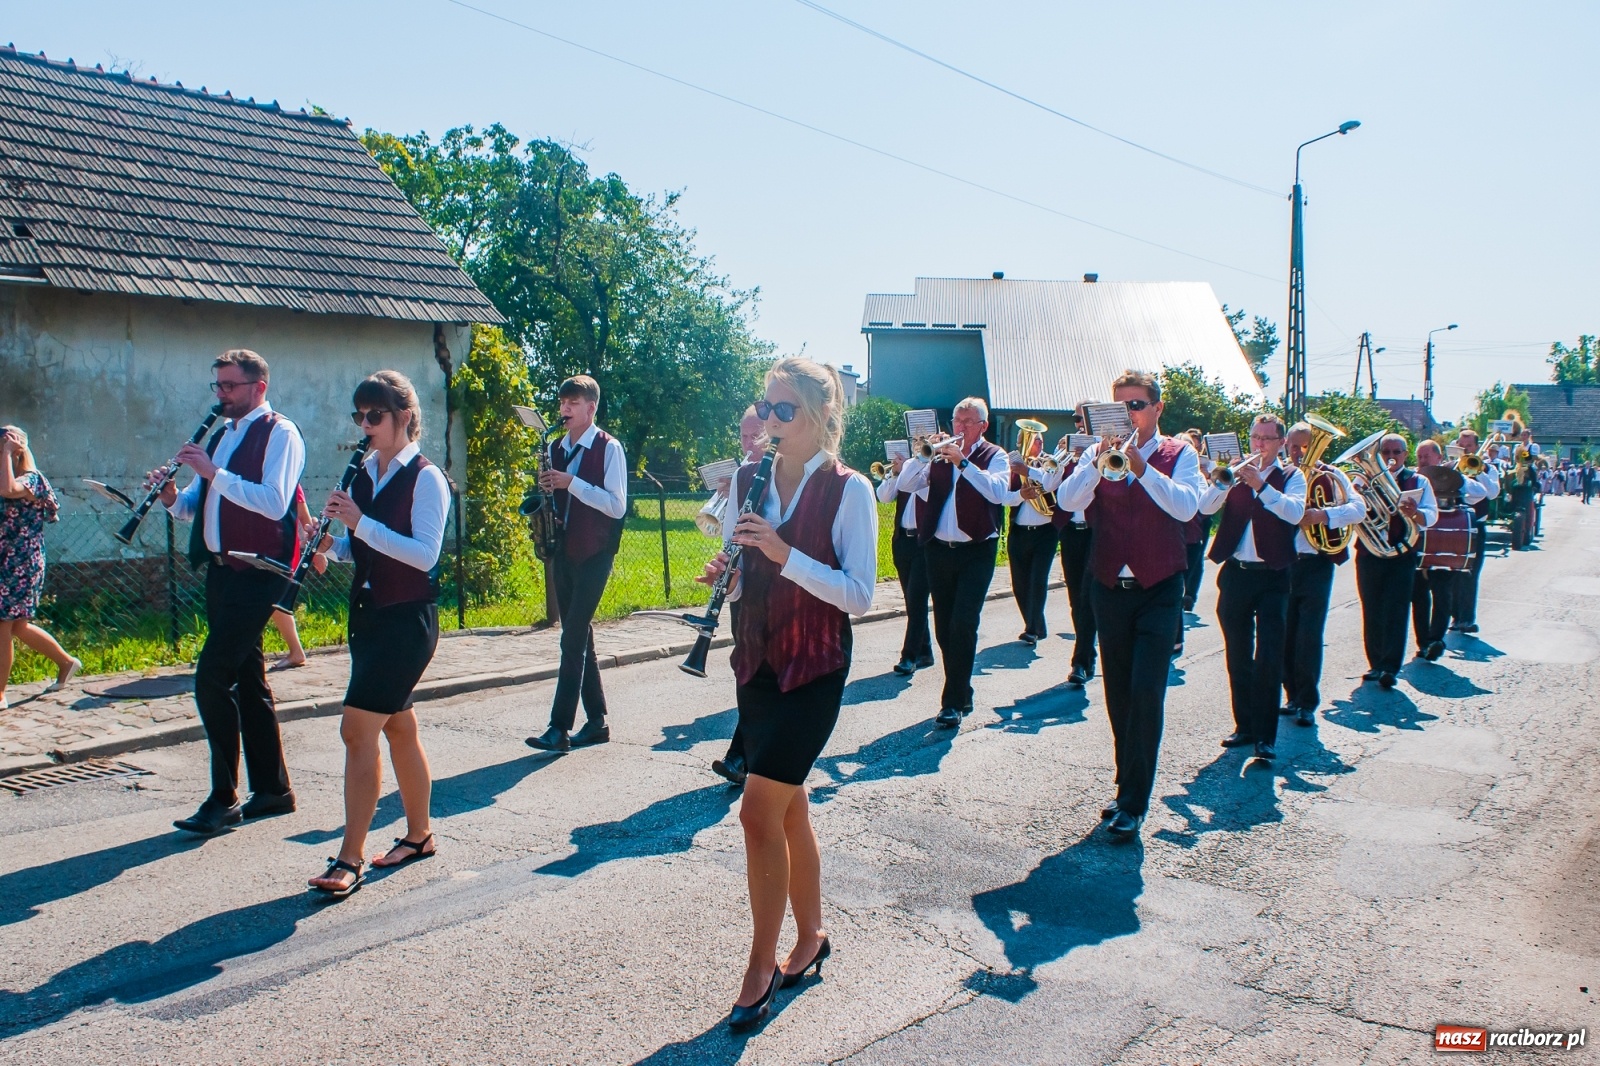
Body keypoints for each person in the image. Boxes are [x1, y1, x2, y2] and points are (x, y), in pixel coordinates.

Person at [698, 357, 876, 1032]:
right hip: (757, 665)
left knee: (755, 813)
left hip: (815, 670)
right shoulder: (749, 479)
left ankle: (759, 963)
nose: (768, 423)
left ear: (822, 416)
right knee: (790, 808)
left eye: (784, 411)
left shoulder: (849, 490)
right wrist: (731, 577)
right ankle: (811, 936)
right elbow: (747, 581)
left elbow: (858, 596)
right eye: (764, 409)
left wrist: (781, 552)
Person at [305, 371, 449, 898]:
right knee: (399, 729)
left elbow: (424, 555)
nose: (364, 427)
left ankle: (350, 857)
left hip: (407, 620)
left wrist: (361, 523)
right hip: (367, 616)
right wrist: (328, 549)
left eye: (374, 417)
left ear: (404, 418)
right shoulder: (364, 472)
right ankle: (419, 835)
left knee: (356, 730)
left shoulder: (427, 478)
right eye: (359, 417)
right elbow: (360, 549)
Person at [159, 349, 306, 835]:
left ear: (258, 387)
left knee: (211, 676)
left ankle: (223, 797)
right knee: (249, 680)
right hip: (222, 571)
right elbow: (199, 509)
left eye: (229, 386)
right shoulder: (223, 436)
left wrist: (212, 472)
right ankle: (274, 789)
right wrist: (171, 499)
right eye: (217, 386)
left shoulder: (280, 433)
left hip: (260, 571)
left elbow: (273, 502)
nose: (220, 395)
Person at [1055, 370, 1204, 840]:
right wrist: (1093, 462)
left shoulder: (1179, 454)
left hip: (1159, 588)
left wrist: (1143, 468)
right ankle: (1127, 785)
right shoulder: (1099, 454)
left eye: (1137, 406)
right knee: (1118, 692)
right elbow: (1066, 500)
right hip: (1108, 584)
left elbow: (1186, 507)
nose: (1130, 416)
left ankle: (1134, 802)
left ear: (1157, 409)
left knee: (1145, 693)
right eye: (1121, 408)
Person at [525, 376, 628, 754]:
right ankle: (597, 721)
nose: (564, 409)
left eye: (573, 402)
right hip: (561, 548)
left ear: (591, 408)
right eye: (562, 402)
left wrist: (573, 483)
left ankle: (559, 727)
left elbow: (617, 506)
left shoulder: (609, 448)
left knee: (571, 638)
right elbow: (554, 494)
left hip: (596, 552)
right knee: (579, 634)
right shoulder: (555, 447)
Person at [894, 398, 1010, 727]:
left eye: (968, 422)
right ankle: (963, 689)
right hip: (938, 549)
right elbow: (904, 485)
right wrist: (922, 456)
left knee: (963, 623)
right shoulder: (939, 457)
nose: (959, 427)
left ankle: (951, 701)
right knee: (944, 628)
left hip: (977, 550)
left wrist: (964, 463)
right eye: (957, 420)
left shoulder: (995, 456)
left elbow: (998, 493)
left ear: (983, 426)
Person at [1196, 416, 1304, 761]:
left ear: (1281, 443)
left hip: (1273, 575)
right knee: (1238, 655)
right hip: (1237, 573)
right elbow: (1204, 507)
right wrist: (1222, 483)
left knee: (1269, 657)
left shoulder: (1292, 476)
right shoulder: (1236, 474)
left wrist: (1262, 486)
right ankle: (1244, 726)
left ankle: (1265, 737)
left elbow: (1295, 513)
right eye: (1255, 438)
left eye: (1266, 439)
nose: (1258, 445)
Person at [1281, 421, 1365, 726]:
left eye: (1305, 446)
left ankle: (1307, 701)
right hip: (1283, 564)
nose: (1298, 452)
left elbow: (1359, 509)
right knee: (1284, 634)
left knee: (1308, 635)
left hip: (1316, 563)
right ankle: (1290, 695)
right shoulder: (1279, 474)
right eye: (1293, 446)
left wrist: (1324, 515)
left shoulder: (1332, 475)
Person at [0, 426, 81, 710]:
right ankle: (67, 662)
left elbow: (9, 490)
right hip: (5, 560)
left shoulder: (32, 480)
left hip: (20, 563)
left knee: (3, 625)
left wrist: (9, 452)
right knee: (18, 626)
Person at [1353, 434, 1438, 690]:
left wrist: (1417, 513)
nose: (1391, 456)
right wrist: (1358, 496)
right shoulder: (1363, 479)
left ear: (1405, 454)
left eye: (1396, 452)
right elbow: (1352, 509)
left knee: (1396, 609)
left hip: (1402, 553)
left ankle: (1390, 667)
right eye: (1386, 451)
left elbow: (1432, 515)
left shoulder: (1419, 480)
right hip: (1370, 553)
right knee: (1372, 608)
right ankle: (1375, 663)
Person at [712, 405, 769, 787]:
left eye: (755, 436)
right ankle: (747, 752)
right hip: (745, 583)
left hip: (782, 586)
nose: (748, 443)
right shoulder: (742, 474)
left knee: (768, 670)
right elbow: (728, 534)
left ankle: (741, 753)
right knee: (746, 665)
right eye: (743, 436)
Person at [1411, 441, 1487, 663]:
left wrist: (1455, 477)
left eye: (1426, 456)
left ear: (1438, 457)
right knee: (1418, 596)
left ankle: (1436, 639)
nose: (1422, 461)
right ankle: (1423, 641)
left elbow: (1481, 492)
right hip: (1419, 542)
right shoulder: (1413, 479)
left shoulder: (1454, 475)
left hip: (1445, 542)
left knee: (1443, 593)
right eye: (1419, 457)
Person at [1045, 425, 1097, 686]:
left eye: (1084, 417)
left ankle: (1081, 660)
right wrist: (1065, 458)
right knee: (1076, 596)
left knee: (1089, 596)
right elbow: (1048, 484)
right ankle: (1088, 649)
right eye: (1077, 418)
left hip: (1097, 531)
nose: (1079, 423)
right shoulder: (1066, 449)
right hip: (1071, 532)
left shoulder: (1105, 448)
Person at [878, 449, 934, 676]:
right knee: (912, 600)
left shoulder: (934, 469)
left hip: (925, 543)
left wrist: (913, 470)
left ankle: (909, 656)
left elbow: (929, 494)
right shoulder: (905, 472)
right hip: (902, 540)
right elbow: (883, 497)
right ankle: (926, 651)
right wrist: (894, 474)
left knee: (917, 599)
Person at [1004, 430, 1058, 646]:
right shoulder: (1013, 466)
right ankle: (1036, 625)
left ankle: (1032, 629)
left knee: (1037, 581)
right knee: (1020, 583)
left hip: (1045, 531)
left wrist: (1029, 472)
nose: (1036, 442)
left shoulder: (1049, 463)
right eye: (1027, 439)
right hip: (1019, 530)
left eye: (1037, 439)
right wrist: (1020, 493)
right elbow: (1004, 497)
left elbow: (1053, 490)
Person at [1447, 429, 1499, 634]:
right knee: (1451, 573)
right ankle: (1454, 616)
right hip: (1454, 524)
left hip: (1476, 526)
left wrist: (1478, 471)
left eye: (1468, 446)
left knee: (1470, 573)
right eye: (1461, 445)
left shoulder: (1489, 469)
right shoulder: (1452, 467)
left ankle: (1467, 618)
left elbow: (1493, 493)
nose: (1464, 449)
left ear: (1476, 447)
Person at [269, 487, 314, 669]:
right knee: (271, 602)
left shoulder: (289, 478)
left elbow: (304, 516)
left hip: (281, 549)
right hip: (264, 547)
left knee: (275, 601)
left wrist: (316, 553)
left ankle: (296, 651)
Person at [1180, 428, 1214, 616]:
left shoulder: (1200, 473)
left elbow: (1204, 504)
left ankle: (1190, 595)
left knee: (1194, 562)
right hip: (1173, 532)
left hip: (1192, 530)